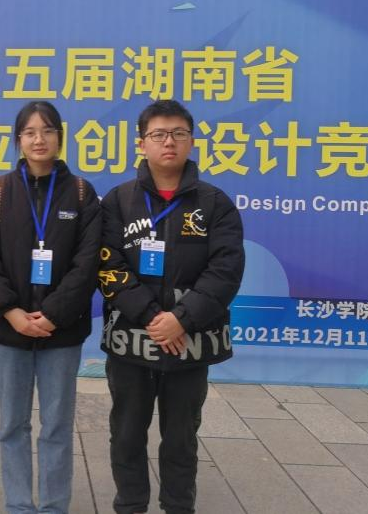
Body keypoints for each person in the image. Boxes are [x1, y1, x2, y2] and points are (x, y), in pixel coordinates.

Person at [99, 99, 245, 514]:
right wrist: (152, 318)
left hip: (189, 344)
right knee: (126, 433)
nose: (169, 142)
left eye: (179, 134)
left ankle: (179, 506)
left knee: (181, 437)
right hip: (131, 342)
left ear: (191, 141)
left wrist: (181, 319)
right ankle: (130, 505)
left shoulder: (214, 203)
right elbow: (107, 264)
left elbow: (225, 270)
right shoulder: (118, 201)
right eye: (159, 134)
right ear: (141, 143)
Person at [0, 101, 101, 514]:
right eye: (29, 132)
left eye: (47, 130)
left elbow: (87, 263)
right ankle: (18, 506)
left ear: (60, 138)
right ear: (19, 140)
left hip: (61, 331)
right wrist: (11, 311)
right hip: (8, 330)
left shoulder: (81, 193)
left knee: (57, 427)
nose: (39, 139)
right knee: (12, 425)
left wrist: (54, 314)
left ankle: (53, 507)